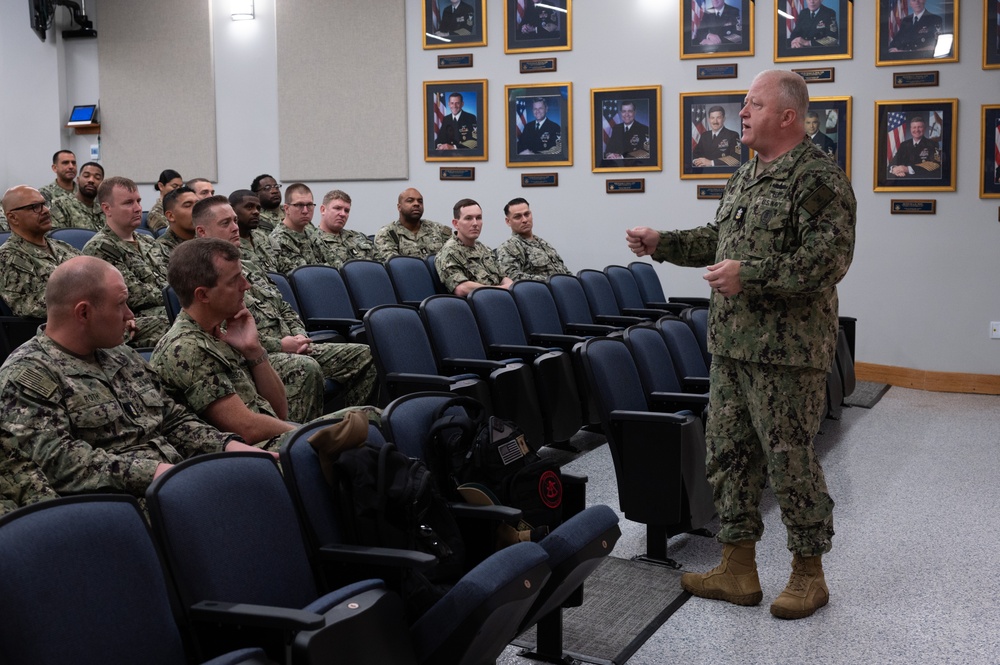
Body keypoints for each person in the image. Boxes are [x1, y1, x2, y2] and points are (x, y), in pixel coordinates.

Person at [625, 69, 856, 621]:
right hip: (731, 347)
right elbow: (717, 238)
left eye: (752, 104)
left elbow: (828, 261)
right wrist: (664, 244)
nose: (741, 113)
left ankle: (808, 574)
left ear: (787, 116)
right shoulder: (746, 175)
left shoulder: (818, 179)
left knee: (789, 462)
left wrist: (750, 275)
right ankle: (738, 567)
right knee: (729, 457)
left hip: (787, 354)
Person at [0, 255, 270, 502]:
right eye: (120, 304)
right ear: (83, 313)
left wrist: (229, 446)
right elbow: (60, 463)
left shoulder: (120, 354)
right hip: (123, 505)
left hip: (176, 481)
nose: (131, 315)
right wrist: (157, 472)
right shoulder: (28, 375)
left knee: (268, 476)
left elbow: (173, 418)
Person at [193, 196, 377, 416]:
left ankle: (348, 425)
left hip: (291, 345)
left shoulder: (248, 263)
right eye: (226, 223)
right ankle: (299, 438)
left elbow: (284, 307)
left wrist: (300, 338)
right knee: (305, 368)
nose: (235, 228)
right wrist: (281, 345)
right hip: (253, 357)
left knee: (366, 356)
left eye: (234, 221)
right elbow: (222, 334)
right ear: (202, 232)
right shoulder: (200, 274)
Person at [151, 238, 298, 448]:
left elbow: (279, 411)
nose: (246, 286)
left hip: (271, 442)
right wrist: (305, 433)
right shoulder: (186, 348)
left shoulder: (218, 334)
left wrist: (254, 351)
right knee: (354, 429)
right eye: (234, 280)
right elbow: (247, 429)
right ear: (203, 295)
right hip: (245, 457)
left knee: (359, 423)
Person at [83, 176, 170, 348]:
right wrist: (178, 295)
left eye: (138, 201)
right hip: (131, 320)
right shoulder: (99, 247)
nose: (138, 208)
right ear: (107, 209)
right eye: (128, 203)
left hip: (165, 307)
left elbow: (175, 275)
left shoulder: (148, 241)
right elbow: (135, 295)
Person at [0, 186, 80, 319]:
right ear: (13, 217)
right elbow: (30, 307)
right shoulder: (8, 257)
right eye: (35, 207)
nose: (46, 211)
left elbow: (95, 274)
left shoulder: (62, 247)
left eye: (44, 204)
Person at [435, 198, 512, 296]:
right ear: (456, 224)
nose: (475, 223)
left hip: (499, 298)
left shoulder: (484, 248)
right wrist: (500, 289)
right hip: (474, 305)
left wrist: (511, 286)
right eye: (468, 218)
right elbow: (461, 288)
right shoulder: (449, 252)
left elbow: (503, 277)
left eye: (478, 218)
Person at [495, 198, 571, 282]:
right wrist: (551, 281)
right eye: (518, 217)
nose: (524, 220)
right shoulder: (509, 247)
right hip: (540, 292)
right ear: (508, 221)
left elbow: (564, 270)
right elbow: (512, 277)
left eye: (527, 214)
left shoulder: (544, 244)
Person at [373, 188, 453, 261]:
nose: (416, 204)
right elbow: (395, 266)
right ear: (399, 207)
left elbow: (454, 256)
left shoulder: (438, 229)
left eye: (420, 201)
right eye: (410, 201)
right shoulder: (387, 233)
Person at [270, 182, 330, 274]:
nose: (305, 211)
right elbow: (302, 276)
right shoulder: (279, 240)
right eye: (299, 205)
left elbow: (332, 263)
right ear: (286, 209)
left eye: (309, 205)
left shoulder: (312, 233)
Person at [316, 189, 377, 268]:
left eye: (346, 211)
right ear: (323, 210)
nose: (343, 214)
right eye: (337, 208)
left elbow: (381, 266)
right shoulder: (313, 242)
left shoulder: (359, 237)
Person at [230, 189, 278, 273]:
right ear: (232, 210)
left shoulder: (263, 237)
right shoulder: (228, 243)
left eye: (258, 208)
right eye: (249, 207)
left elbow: (284, 266)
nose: (256, 212)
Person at [48, 161, 106, 231]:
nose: (91, 180)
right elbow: (56, 236)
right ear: (78, 180)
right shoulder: (61, 205)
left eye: (97, 177)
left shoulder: (104, 210)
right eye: (86, 176)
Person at [154, 185, 199, 262]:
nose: (197, 209)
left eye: (198, 204)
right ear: (171, 216)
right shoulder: (160, 250)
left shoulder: (206, 239)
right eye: (188, 205)